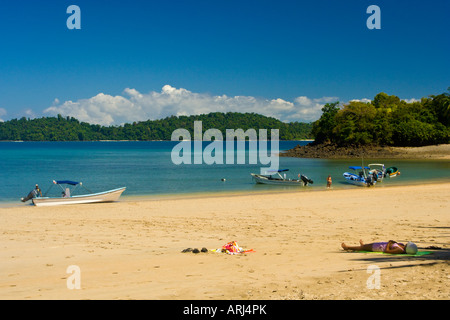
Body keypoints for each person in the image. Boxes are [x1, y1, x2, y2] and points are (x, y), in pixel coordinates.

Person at [341, 239, 418, 255]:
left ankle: (348, 247)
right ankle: (363, 245)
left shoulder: (399, 250)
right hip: (380, 245)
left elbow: (387, 251)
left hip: (379, 248)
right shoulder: (401, 246)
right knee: (365, 246)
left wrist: (389, 243)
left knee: (363, 248)